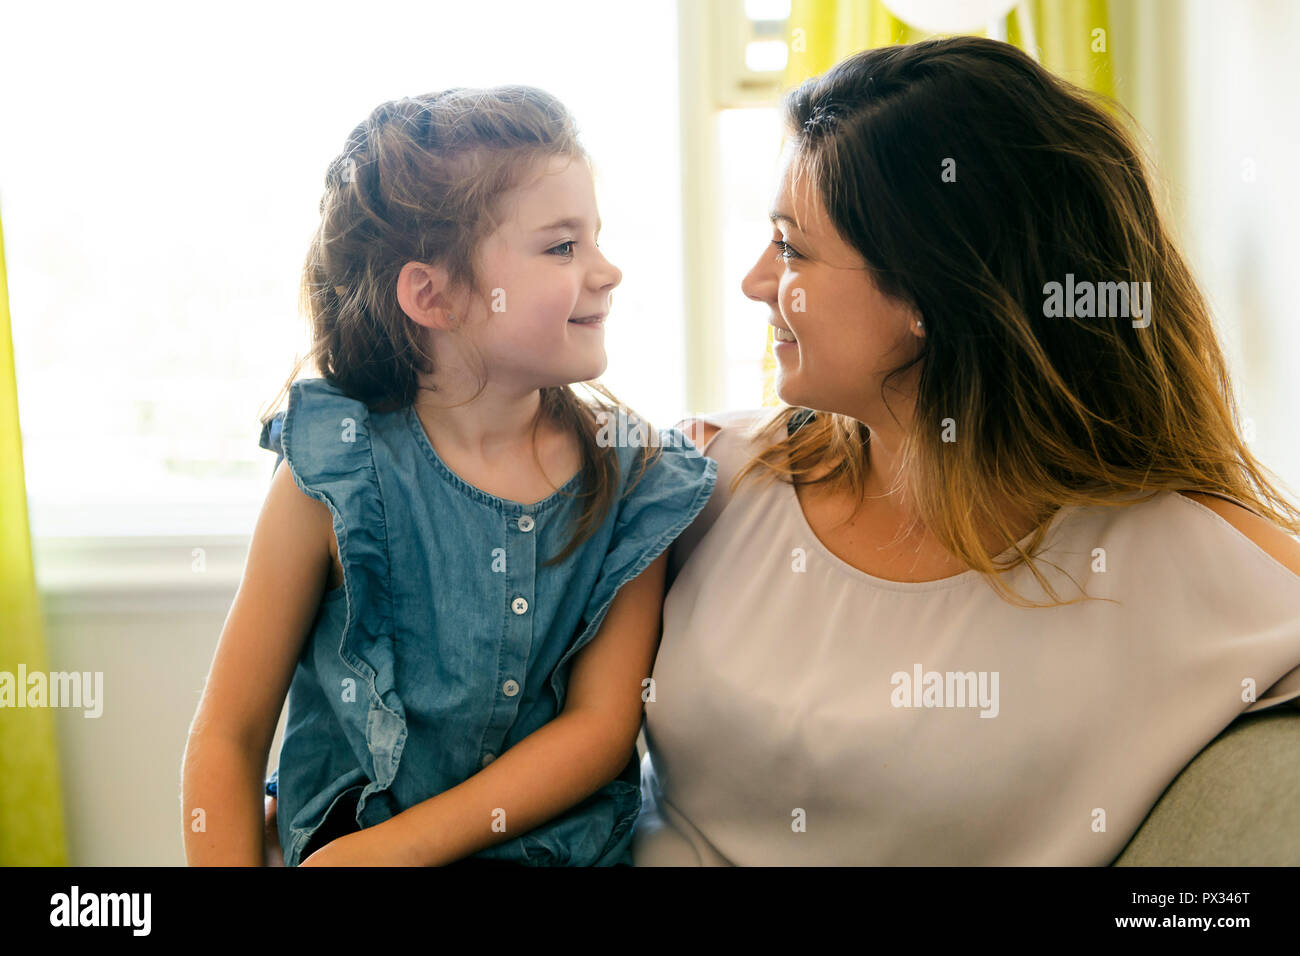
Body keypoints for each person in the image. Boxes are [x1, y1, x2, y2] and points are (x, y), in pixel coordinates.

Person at [633, 36, 1300, 866]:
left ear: (928, 292)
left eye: (793, 248)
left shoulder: (1168, 555)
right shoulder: (711, 478)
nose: (756, 281)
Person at [180, 87, 717, 867]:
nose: (609, 271)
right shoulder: (333, 473)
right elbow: (227, 737)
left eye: (595, 237)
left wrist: (391, 854)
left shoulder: (635, 475)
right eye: (562, 247)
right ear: (434, 295)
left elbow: (600, 731)